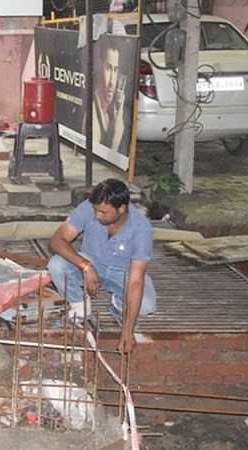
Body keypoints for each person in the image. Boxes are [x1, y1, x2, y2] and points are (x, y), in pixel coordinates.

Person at [47, 178, 157, 353]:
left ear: (121, 208)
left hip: (125, 273)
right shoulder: (89, 207)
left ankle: (120, 302)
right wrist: (86, 266)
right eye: (95, 210)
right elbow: (56, 241)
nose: (97, 215)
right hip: (93, 262)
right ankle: (79, 305)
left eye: (103, 212)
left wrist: (127, 331)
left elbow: (136, 280)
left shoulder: (141, 228)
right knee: (56, 265)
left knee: (146, 306)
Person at [91, 39, 126, 153]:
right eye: (108, 68)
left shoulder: (111, 110)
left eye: (115, 70)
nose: (112, 81)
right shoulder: (93, 117)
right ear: (99, 68)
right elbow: (96, 161)